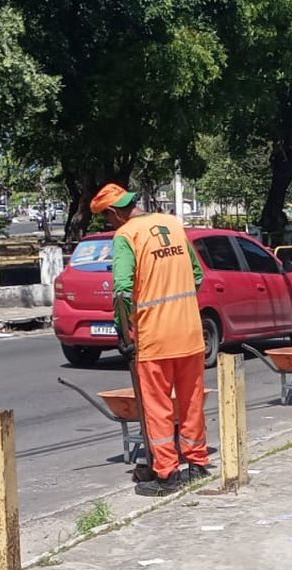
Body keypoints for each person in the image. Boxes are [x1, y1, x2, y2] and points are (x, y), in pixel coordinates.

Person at [92, 183, 210, 496]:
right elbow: (197, 276)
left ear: (115, 212)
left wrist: (123, 331)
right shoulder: (172, 223)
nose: (109, 223)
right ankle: (197, 464)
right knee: (191, 402)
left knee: (158, 407)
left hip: (155, 339)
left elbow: (122, 291)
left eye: (107, 217)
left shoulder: (126, 236)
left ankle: (167, 474)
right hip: (190, 333)